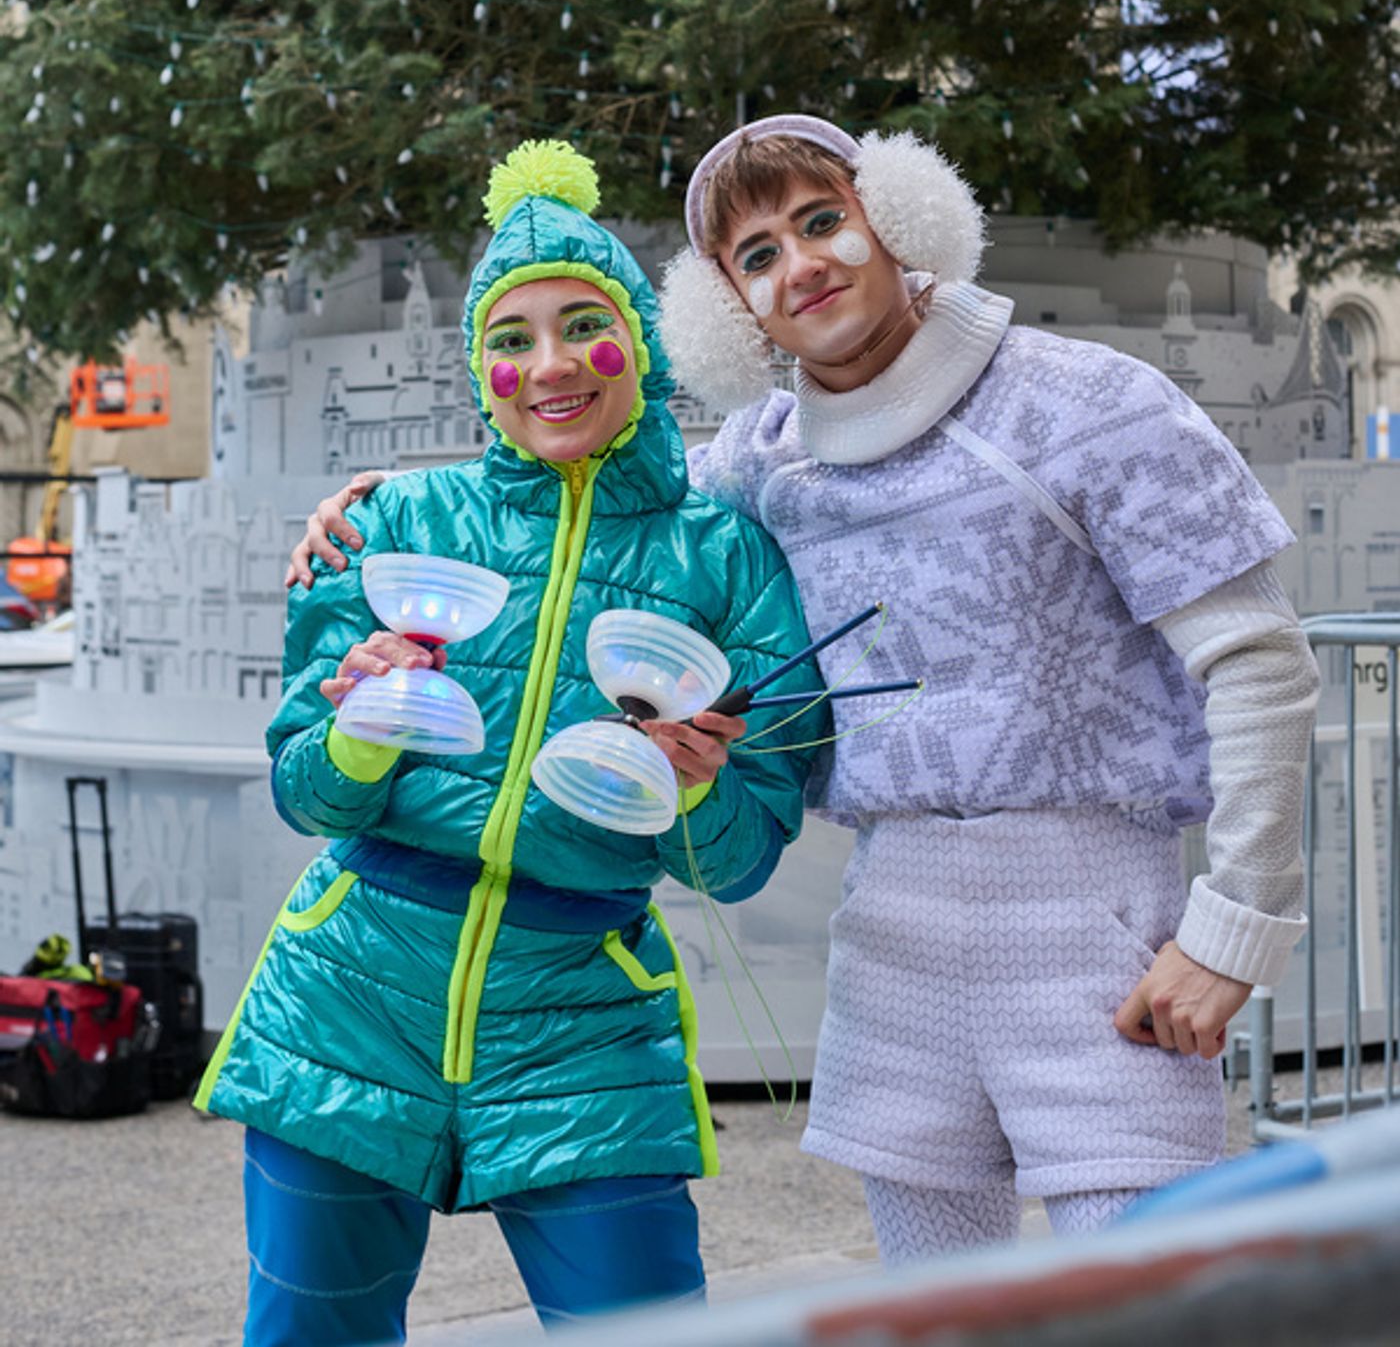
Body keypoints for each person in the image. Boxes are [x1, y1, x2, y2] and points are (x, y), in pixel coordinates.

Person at [290, 115, 1320, 1264]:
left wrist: (1233, 928)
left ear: (897, 214)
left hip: (1093, 912)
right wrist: (392, 504)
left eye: (822, 220)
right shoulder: (758, 461)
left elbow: (1259, 660)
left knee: (1142, 1297)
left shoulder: (1091, 401)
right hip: (893, 927)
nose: (801, 264)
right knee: (934, 1313)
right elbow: (598, 492)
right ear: (730, 305)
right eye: (757, 254)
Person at [203, 139, 825, 1344]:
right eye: (510, 336)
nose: (548, 364)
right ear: (476, 366)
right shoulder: (390, 522)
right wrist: (362, 727)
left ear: (640, 343)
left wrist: (697, 786)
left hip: (585, 1015)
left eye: (584, 326)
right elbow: (308, 795)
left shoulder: (726, 557)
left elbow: (740, 857)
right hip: (345, 997)